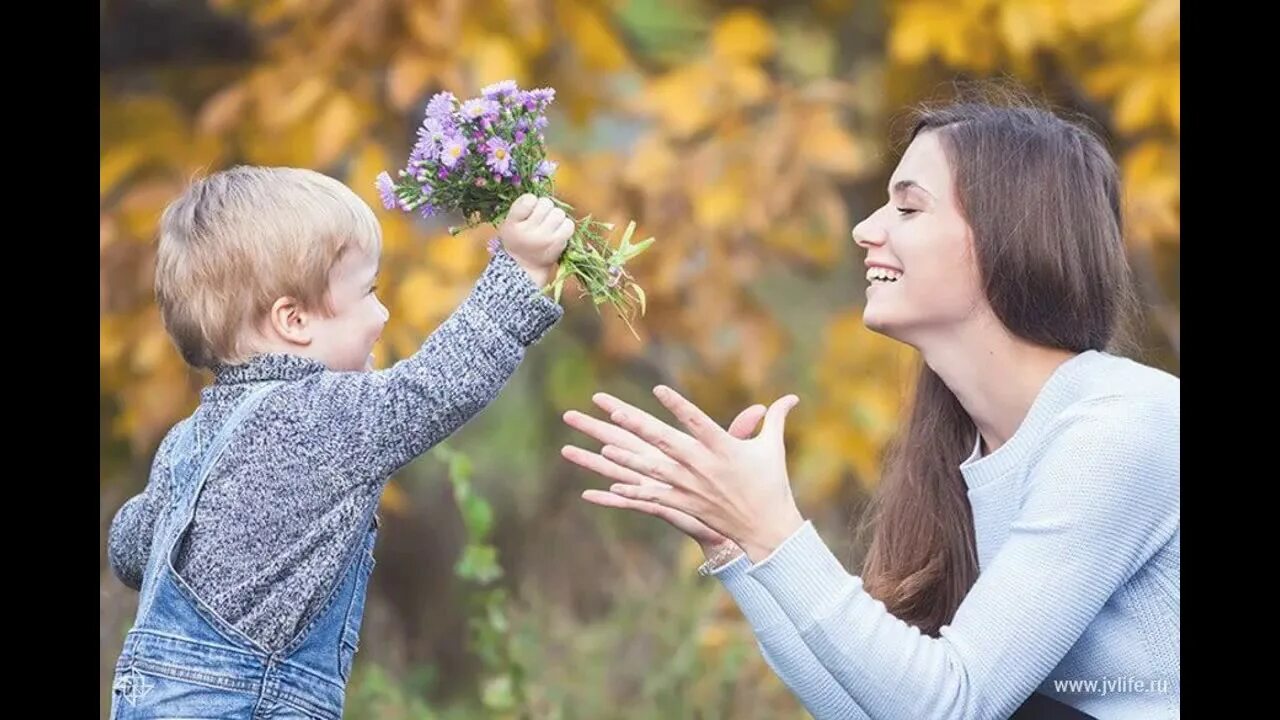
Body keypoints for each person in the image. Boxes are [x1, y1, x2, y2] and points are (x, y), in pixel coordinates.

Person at [562, 95, 1179, 719]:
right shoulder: (965, 445)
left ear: (1008, 236)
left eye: (909, 207)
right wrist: (735, 547)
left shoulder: (1120, 427)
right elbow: (872, 709)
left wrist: (774, 527)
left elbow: (950, 704)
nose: (866, 229)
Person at [107, 167, 571, 719]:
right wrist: (518, 273)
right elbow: (431, 390)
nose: (383, 315)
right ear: (294, 319)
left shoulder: (189, 439)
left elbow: (130, 547)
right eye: (369, 292)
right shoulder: (314, 418)